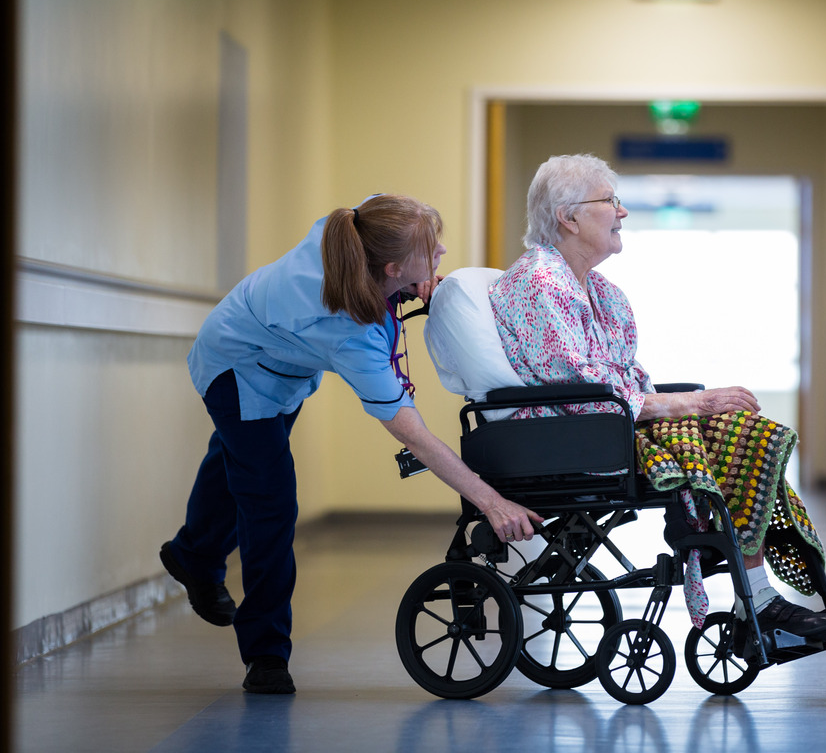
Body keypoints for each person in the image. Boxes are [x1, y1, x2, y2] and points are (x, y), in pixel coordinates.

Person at [161, 194, 543, 694]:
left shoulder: (354, 229)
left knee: (239, 463)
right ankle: (266, 655)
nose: (444, 252)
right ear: (390, 266)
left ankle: (192, 555)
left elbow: (384, 258)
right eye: (432, 250)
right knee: (270, 502)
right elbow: (416, 437)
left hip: (280, 360)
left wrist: (408, 282)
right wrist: (489, 501)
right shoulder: (348, 333)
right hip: (234, 366)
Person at [489, 154, 826, 639]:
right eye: (610, 201)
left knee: (749, 435)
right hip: (578, 436)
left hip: (606, 427)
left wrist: (686, 408)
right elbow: (579, 391)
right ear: (568, 218)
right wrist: (690, 406)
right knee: (726, 429)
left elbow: (627, 379)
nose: (623, 212)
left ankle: (758, 594)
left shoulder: (602, 291)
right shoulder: (538, 285)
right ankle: (757, 598)